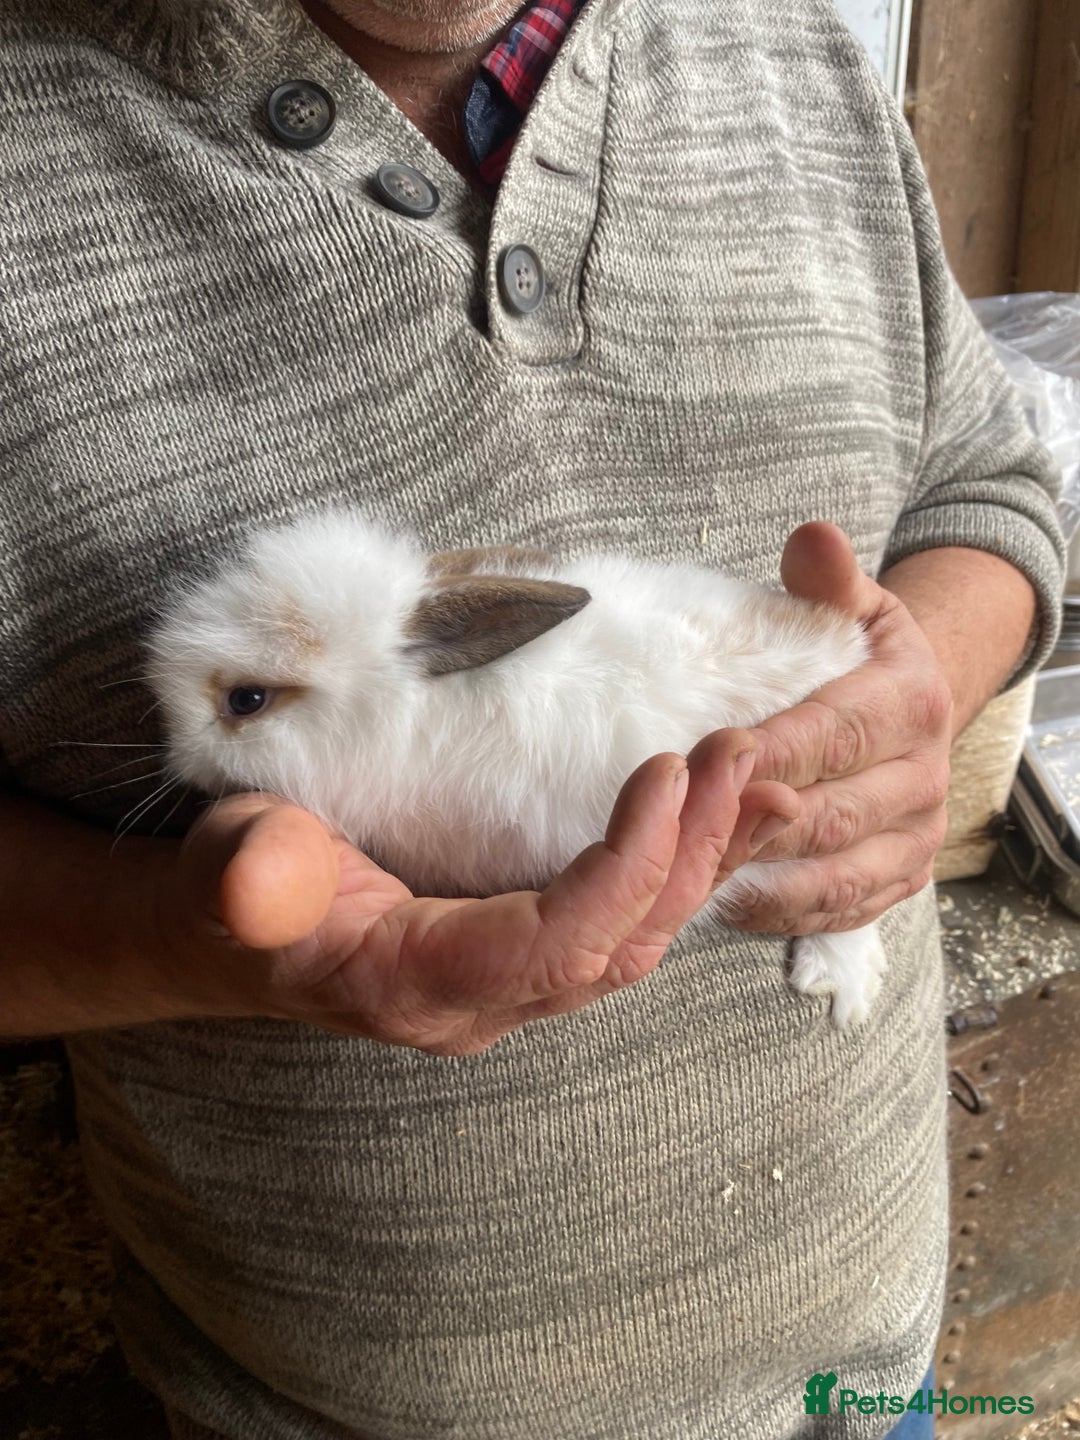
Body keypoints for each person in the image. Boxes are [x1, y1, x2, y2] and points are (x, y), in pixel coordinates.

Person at [0, 0, 1064, 1437]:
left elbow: (987, 482)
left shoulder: (798, 45)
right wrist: (178, 935)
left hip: (864, 1363)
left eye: (245, 703)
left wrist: (900, 701)